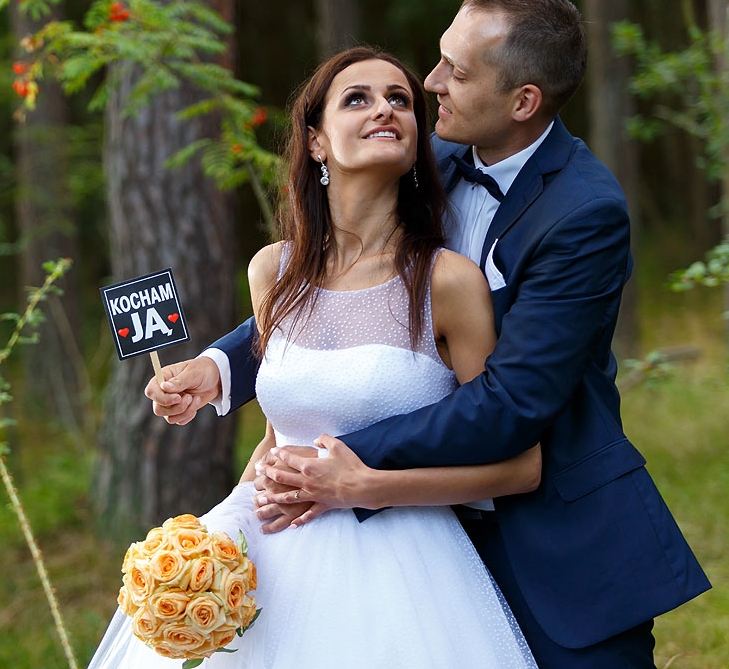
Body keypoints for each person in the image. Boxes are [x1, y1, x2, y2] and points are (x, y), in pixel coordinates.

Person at [145, 0, 711, 669]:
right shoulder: (422, 156)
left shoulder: (584, 213)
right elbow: (334, 291)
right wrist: (223, 366)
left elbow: (510, 402)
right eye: (438, 60)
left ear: (523, 101)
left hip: (551, 531)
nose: (430, 82)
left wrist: (336, 460)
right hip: (398, 545)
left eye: (456, 71)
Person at [88, 46, 540, 668]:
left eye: (400, 100)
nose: (384, 108)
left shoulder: (447, 282)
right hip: (271, 551)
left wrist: (366, 488)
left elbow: (519, 466)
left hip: (405, 574)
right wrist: (218, 533)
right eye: (357, 98)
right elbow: (282, 431)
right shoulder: (274, 270)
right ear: (317, 142)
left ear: (414, 142)